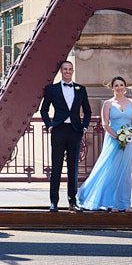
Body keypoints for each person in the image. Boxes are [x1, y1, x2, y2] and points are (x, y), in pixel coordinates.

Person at [77, 77, 132, 212]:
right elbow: (105, 124)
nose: (119, 87)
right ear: (112, 88)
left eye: (121, 85)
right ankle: (110, 203)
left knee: (125, 172)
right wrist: (117, 137)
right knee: (109, 169)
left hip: (129, 141)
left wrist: (129, 135)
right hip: (113, 139)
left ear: (125, 86)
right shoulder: (108, 104)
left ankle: (125, 204)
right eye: (116, 85)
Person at [40, 59, 92, 212]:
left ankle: (72, 201)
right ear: (61, 71)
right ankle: (54, 202)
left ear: (73, 71)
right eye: (65, 69)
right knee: (56, 167)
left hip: (75, 131)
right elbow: (44, 110)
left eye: (70, 69)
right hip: (58, 130)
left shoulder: (80, 89)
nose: (68, 71)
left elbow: (87, 111)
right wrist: (49, 124)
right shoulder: (52, 89)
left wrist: (84, 126)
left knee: (73, 168)